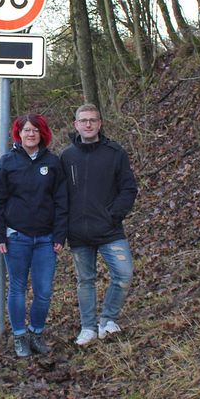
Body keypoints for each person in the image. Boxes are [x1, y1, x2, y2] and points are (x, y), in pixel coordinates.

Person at [0, 113, 68, 357]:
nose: (30, 134)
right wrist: (0, 235)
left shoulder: (53, 162)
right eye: (26, 130)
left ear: (42, 133)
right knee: (17, 288)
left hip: (46, 239)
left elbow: (61, 201)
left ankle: (36, 333)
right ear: (19, 134)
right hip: (16, 238)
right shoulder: (7, 162)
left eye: (35, 130)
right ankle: (19, 336)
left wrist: (59, 235)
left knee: (43, 291)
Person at [60, 104, 138, 346]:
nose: (88, 124)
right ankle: (88, 328)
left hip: (109, 230)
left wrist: (113, 215)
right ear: (76, 125)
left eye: (93, 120)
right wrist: (63, 225)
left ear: (100, 124)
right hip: (78, 232)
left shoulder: (115, 153)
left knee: (124, 274)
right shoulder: (67, 157)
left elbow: (129, 188)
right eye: (83, 120)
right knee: (85, 281)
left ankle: (108, 320)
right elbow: (59, 195)